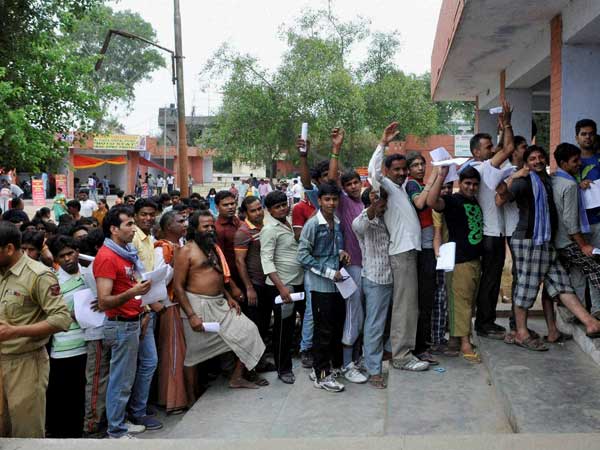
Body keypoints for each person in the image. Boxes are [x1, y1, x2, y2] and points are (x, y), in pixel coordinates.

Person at [507, 146, 600, 351]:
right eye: (532, 159)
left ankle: (591, 323)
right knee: (527, 287)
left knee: (561, 284)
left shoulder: (548, 181)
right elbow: (502, 198)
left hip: (545, 242)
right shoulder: (523, 182)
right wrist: (513, 176)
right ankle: (521, 333)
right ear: (526, 163)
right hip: (530, 241)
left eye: (540, 157)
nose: (538, 161)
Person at [172, 210, 266, 390]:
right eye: (205, 226)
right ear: (195, 229)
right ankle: (191, 398)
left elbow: (217, 276)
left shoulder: (212, 247)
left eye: (211, 225)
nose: (210, 229)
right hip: (197, 306)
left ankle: (237, 377)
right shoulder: (185, 251)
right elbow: (178, 287)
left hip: (220, 303)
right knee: (194, 356)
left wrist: (229, 296)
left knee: (249, 331)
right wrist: (191, 315)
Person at [0, 222, 72, 437]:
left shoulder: (38, 275)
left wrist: (15, 331)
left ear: (10, 249)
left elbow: (62, 319)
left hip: (26, 364)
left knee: (26, 432)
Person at [368, 122, 428, 372]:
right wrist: (383, 142)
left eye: (405, 169)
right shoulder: (387, 188)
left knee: (408, 305)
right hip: (401, 254)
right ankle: (402, 356)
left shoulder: (401, 188)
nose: (403, 173)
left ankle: (400, 350)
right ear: (388, 171)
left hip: (409, 252)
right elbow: (373, 173)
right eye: (397, 170)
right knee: (405, 306)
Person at [94, 205, 152, 438]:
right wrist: (134, 292)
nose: (133, 228)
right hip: (120, 325)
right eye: (129, 224)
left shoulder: (125, 252)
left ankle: (120, 422)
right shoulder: (107, 257)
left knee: (126, 379)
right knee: (120, 380)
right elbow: (104, 301)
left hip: (131, 322)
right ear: (113, 229)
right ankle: (116, 431)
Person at [469, 102, 516, 341]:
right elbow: (508, 147)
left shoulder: (481, 167)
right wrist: (507, 122)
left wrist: (502, 129)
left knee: (492, 279)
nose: (493, 150)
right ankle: (485, 323)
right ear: (477, 152)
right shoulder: (484, 167)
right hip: (490, 235)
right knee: (490, 280)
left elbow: (502, 146)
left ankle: (486, 321)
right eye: (488, 147)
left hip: (493, 232)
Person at [427, 166, 484, 362]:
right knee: (460, 303)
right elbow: (432, 201)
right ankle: (465, 343)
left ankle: (456, 339)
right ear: (460, 183)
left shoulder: (475, 201)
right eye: (467, 183)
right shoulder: (452, 201)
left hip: (475, 260)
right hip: (459, 261)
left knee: (468, 302)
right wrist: (441, 175)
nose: (471, 187)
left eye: (475, 184)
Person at [297, 182, 350, 392]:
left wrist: (341, 254)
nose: (331, 203)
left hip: (337, 285)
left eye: (334, 199)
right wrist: (329, 272)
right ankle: (322, 376)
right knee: (323, 332)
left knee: (335, 327)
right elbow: (303, 256)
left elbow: (328, 251)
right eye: (327, 199)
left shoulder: (336, 222)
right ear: (319, 201)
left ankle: (323, 368)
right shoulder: (312, 225)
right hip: (321, 285)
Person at [326, 127, 368, 383]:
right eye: (348, 183)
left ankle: (359, 357)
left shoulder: (367, 202)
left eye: (356, 182)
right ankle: (347, 363)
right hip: (351, 268)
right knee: (354, 314)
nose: (353, 186)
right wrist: (336, 149)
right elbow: (330, 181)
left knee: (367, 314)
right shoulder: (342, 202)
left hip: (370, 266)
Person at [260, 191, 306, 384]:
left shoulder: (289, 222)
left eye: (283, 205)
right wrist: (281, 288)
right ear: (269, 210)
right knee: (283, 329)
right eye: (276, 207)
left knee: (305, 321)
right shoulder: (270, 229)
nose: (281, 209)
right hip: (283, 284)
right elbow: (266, 259)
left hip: (299, 280)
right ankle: (283, 368)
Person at [45, 235, 88, 438]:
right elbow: (51, 314)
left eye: (71, 253)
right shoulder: (54, 281)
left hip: (88, 343)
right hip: (64, 348)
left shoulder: (89, 275)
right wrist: (75, 314)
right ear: (56, 259)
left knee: (82, 393)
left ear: (77, 252)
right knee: (64, 395)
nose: (68, 259)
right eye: (62, 256)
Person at [352, 187, 392, 389]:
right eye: (378, 204)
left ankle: (387, 353)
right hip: (375, 279)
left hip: (393, 277)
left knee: (389, 322)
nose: (382, 207)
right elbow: (359, 226)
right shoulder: (363, 220)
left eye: (384, 204)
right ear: (370, 203)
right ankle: (373, 369)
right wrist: (374, 208)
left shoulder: (389, 218)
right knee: (374, 325)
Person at [154, 211, 192, 413]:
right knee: (173, 354)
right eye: (180, 221)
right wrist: (174, 263)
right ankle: (172, 400)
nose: (184, 224)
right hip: (170, 305)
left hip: (182, 303)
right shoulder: (163, 249)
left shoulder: (180, 245)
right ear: (169, 227)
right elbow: (157, 280)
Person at [405, 151, 438, 365]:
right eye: (415, 165)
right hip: (421, 248)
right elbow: (419, 204)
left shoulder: (419, 184)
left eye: (422, 164)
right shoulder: (412, 185)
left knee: (427, 299)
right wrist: (435, 177)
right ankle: (419, 347)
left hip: (428, 245)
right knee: (422, 300)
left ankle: (423, 343)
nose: (420, 168)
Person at [214, 190, 244, 301]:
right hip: (231, 278)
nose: (230, 207)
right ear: (217, 207)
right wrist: (233, 286)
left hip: (244, 275)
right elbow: (219, 261)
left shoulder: (238, 222)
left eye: (232, 204)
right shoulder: (218, 229)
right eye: (225, 205)